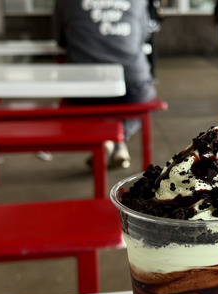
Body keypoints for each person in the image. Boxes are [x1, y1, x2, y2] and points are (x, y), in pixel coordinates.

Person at [54, 0, 157, 168]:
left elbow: (60, 39)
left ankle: (104, 139)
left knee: (82, 104)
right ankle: (118, 138)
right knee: (147, 98)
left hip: (83, 88)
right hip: (132, 84)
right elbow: (144, 34)